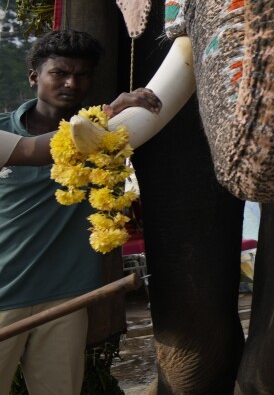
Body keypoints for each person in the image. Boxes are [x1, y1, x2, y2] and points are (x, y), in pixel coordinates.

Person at [0, 30, 160, 393]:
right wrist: (108, 114)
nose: (71, 83)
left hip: (66, 298)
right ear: (33, 77)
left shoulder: (111, 140)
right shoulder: (5, 135)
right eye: (59, 73)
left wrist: (112, 119)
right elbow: (40, 150)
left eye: (82, 74)